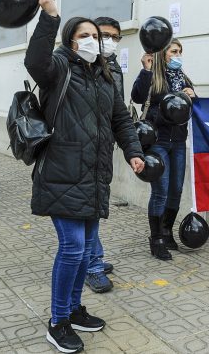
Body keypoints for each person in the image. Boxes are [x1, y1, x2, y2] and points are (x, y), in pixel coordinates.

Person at [24, 0, 145, 353]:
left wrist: (134, 152)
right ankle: (58, 320)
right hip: (61, 172)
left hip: (94, 175)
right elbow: (35, 61)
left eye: (99, 35)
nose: (96, 41)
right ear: (71, 42)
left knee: (85, 247)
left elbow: (121, 118)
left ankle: (75, 310)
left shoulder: (105, 76)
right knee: (74, 249)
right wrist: (50, 15)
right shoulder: (58, 68)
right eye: (86, 36)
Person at [131, 38, 195, 261]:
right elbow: (137, 97)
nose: (177, 56)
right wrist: (146, 70)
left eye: (179, 52)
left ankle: (167, 232)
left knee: (176, 189)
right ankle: (156, 238)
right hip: (157, 141)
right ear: (162, 54)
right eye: (173, 52)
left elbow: (187, 109)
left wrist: (192, 96)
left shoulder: (183, 78)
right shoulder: (155, 77)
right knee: (161, 190)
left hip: (178, 141)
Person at [83, 16, 125, 294]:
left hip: (103, 146)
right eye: (104, 35)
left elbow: (118, 111)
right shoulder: (81, 67)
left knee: (95, 206)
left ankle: (93, 256)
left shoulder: (111, 66)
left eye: (115, 37)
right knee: (87, 209)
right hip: (82, 148)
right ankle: (91, 266)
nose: (109, 42)